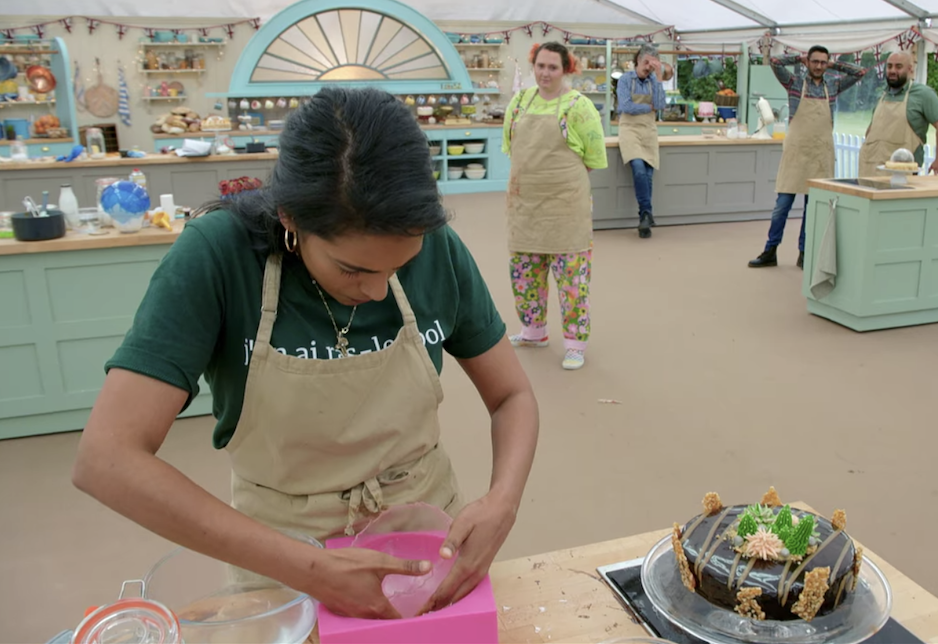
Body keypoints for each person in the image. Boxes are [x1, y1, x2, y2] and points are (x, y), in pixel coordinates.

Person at [72, 86, 540, 621]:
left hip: (425, 545)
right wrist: (310, 569)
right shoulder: (217, 257)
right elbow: (107, 459)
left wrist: (502, 501)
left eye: (398, 266)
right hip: (278, 559)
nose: (379, 291)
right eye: (354, 270)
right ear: (290, 218)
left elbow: (512, 395)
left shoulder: (436, 248)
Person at [502, 42, 607, 371]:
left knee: (572, 280)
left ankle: (575, 344)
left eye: (553, 68)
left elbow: (592, 157)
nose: (545, 73)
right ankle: (534, 331)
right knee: (524, 275)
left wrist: (560, 183)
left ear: (567, 70)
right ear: (533, 66)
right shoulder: (519, 103)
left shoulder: (579, 106)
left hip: (566, 207)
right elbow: (511, 148)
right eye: (540, 66)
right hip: (526, 205)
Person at [749, 44, 864, 269]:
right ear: (808, 62)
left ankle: (804, 252)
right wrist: (797, 58)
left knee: (812, 210)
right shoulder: (794, 84)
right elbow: (774, 62)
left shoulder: (834, 85)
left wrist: (835, 64)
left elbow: (859, 72)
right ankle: (770, 250)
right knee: (782, 206)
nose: (819, 66)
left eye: (823, 62)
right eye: (815, 61)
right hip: (796, 153)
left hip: (821, 153)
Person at [857, 50, 938, 178]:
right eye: (889, 66)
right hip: (870, 169)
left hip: (902, 174)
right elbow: (871, 130)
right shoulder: (882, 95)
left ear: (910, 69)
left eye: (898, 66)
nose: (892, 70)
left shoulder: (923, 94)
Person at [616, 44, 667, 239]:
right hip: (629, 130)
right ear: (638, 60)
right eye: (645, 62)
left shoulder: (654, 81)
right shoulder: (625, 80)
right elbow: (626, 106)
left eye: (652, 64)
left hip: (649, 131)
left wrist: (660, 78)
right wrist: (649, 107)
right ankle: (647, 212)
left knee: (647, 174)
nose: (648, 67)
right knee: (638, 167)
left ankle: (644, 218)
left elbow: (661, 105)